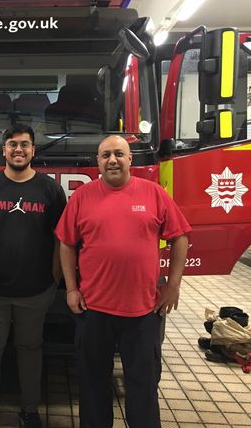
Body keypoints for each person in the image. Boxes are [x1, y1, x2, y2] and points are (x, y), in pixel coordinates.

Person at [55, 135, 191, 428]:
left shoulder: (154, 194)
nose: (112, 160)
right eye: (105, 155)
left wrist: (174, 285)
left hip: (142, 312)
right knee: (93, 386)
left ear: (130, 159)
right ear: (98, 162)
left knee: (142, 386)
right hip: (93, 310)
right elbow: (66, 243)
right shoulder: (82, 196)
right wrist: (71, 289)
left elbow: (180, 237)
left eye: (119, 154)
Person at [0, 123, 67, 428]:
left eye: (24, 144)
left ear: (33, 150)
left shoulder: (50, 189)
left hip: (36, 291)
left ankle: (29, 410)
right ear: (3, 150)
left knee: (30, 350)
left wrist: (53, 280)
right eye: (12, 144)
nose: (18, 150)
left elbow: (59, 239)